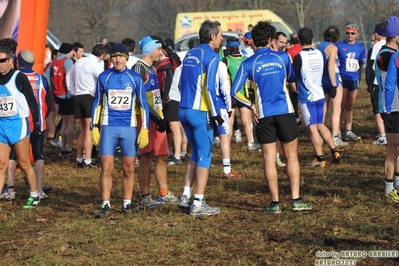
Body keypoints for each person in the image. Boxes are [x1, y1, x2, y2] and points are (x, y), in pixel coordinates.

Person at [231, 21, 312, 214]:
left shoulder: (248, 63)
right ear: (270, 40)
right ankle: (296, 199)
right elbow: (291, 78)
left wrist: (251, 105)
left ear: (253, 42)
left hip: (263, 115)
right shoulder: (283, 57)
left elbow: (234, 91)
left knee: (269, 159)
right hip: (285, 111)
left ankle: (275, 203)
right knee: (291, 155)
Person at [92, 43, 149, 218]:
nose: (118, 59)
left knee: (129, 168)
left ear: (127, 58)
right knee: (106, 167)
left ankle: (127, 203)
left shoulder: (134, 78)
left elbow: (144, 105)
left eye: (121, 56)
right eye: (115, 56)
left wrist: (144, 129)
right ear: (111, 58)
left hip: (129, 128)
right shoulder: (104, 77)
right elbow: (97, 103)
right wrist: (94, 127)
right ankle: (105, 204)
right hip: (109, 127)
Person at [177, 20, 224, 217]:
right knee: (205, 155)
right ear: (213, 37)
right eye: (220, 35)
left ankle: (186, 196)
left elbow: (180, 83)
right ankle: (198, 203)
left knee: (195, 153)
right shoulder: (212, 56)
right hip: (200, 112)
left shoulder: (190, 53)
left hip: (183, 109)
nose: (222, 39)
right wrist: (216, 116)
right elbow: (210, 88)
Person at [132, 36, 179, 208]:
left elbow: (175, 62)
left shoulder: (154, 67)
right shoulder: (139, 68)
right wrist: (155, 118)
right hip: (145, 119)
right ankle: (144, 197)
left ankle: (163, 193)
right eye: (159, 49)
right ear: (150, 50)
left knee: (162, 156)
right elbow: (138, 98)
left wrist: (166, 46)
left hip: (158, 117)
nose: (161, 52)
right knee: (146, 157)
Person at [4, 50, 52, 201]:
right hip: (37, 123)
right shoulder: (41, 79)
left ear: (17, 62)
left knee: (13, 157)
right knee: (38, 156)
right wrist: (41, 119)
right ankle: (38, 190)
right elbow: (49, 103)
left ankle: (11, 189)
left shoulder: (16, 77)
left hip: (20, 123)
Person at [0, 46, 42, 208]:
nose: (0, 64)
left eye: (3, 60)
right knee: (1, 165)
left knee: (24, 163)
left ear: (11, 61)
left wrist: (37, 124)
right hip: (1, 126)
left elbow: (33, 102)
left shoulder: (19, 77)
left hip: (18, 126)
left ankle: (34, 195)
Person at [294, 27, 341, 168]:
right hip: (319, 94)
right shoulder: (319, 53)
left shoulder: (299, 57)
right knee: (320, 124)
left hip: (307, 98)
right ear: (313, 38)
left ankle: (319, 158)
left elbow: (291, 76)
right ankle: (334, 150)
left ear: (298, 40)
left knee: (313, 128)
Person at [66, 43, 109, 168]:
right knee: (90, 129)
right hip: (88, 98)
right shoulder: (95, 64)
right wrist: (97, 93)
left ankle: (79, 159)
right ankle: (87, 161)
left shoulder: (80, 61)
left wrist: (73, 90)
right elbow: (105, 79)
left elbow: (69, 75)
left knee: (83, 130)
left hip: (78, 96)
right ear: (102, 55)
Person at [154, 38, 187, 165]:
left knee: (175, 127)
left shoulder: (170, 62)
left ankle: (177, 155)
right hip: (176, 97)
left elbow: (168, 81)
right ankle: (175, 152)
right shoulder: (176, 61)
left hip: (172, 97)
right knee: (174, 127)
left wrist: (165, 98)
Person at [318, 26, 348, 148]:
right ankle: (335, 137)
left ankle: (320, 136)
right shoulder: (333, 48)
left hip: (322, 78)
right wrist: (334, 85)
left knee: (323, 109)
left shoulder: (319, 46)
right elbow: (331, 67)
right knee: (336, 109)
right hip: (333, 78)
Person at [379, 16, 399, 203]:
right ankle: (388, 189)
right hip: (391, 107)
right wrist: (385, 109)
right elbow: (389, 86)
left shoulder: (394, 54)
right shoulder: (387, 55)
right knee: (393, 149)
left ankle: (397, 186)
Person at [336, 24, 366, 141]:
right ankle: (337, 131)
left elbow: (361, 63)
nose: (350, 35)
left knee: (350, 106)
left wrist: (360, 76)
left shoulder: (360, 48)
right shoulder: (340, 46)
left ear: (356, 35)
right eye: (348, 33)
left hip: (354, 79)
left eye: (352, 33)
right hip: (343, 79)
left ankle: (348, 131)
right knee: (341, 106)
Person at [44, 42, 75, 155]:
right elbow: (69, 77)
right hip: (67, 95)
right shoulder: (67, 61)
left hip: (57, 94)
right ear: (69, 51)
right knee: (70, 122)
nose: (73, 53)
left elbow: (47, 75)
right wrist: (70, 92)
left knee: (64, 121)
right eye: (73, 51)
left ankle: (63, 147)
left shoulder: (54, 61)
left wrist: (52, 87)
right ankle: (69, 147)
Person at [368, 22, 388, 146]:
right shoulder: (393, 44)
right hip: (390, 82)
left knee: (377, 110)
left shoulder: (378, 46)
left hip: (378, 82)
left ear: (379, 33)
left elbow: (372, 65)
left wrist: (371, 82)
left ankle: (382, 136)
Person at [287, 33, 302, 125]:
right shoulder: (302, 49)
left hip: (294, 77)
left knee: (294, 97)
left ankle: (296, 116)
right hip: (303, 76)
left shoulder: (289, 51)